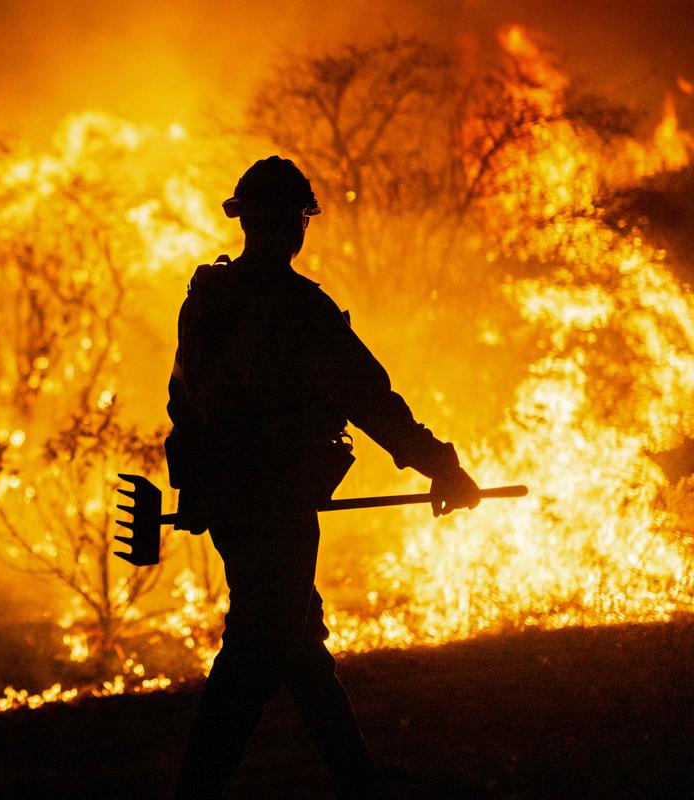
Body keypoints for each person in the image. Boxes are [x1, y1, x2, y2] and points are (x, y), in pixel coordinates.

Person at [166, 156, 482, 799]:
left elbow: (182, 401)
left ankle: (356, 778)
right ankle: (200, 791)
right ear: (295, 226)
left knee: (292, 636)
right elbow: (371, 403)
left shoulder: (209, 300)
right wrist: (442, 465)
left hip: (233, 501)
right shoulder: (299, 310)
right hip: (276, 502)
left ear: (245, 220)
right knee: (260, 644)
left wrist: (199, 487)